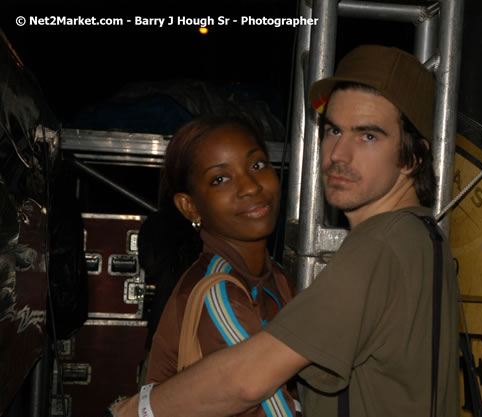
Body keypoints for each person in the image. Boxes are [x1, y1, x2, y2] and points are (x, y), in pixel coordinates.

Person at [112, 44, 459, 417]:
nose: (339, 154)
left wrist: (133, 411)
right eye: (333, 130)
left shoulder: (379, 247)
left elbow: (245, 381)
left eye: (368, 136)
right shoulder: (424, 236)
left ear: (412, 157)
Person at [137, 114, 301, 416]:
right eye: (220, 179)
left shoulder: (273, 275)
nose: (250, 187)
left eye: (257, 165)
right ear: (190, 206)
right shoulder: (218, 292)